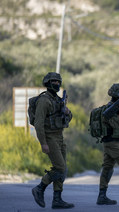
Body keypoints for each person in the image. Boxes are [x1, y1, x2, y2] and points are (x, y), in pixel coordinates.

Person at [31, 72, 74, 209]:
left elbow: (66, 118)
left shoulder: (57, 99)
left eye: (58, 81)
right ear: (47, 83)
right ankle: (39, 188)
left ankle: (57, 199)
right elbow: (38, 123)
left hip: (59, 136)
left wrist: (67, 112)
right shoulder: (44, 100)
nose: (56, 84)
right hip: (49, 137)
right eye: (53, 81)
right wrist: (43, 143)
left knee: (62, 169)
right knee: (60, 167)